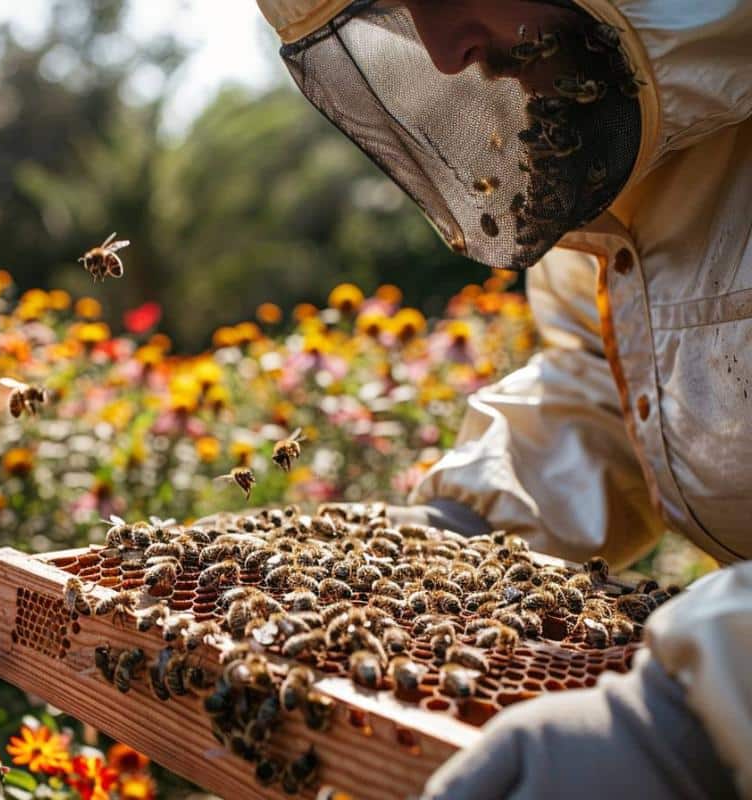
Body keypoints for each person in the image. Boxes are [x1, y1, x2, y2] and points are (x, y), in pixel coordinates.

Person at [253, 0, 752, 797]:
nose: (446, 54)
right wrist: (468, 528)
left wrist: (708, 723)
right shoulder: (613, 151)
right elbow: (614, 380)